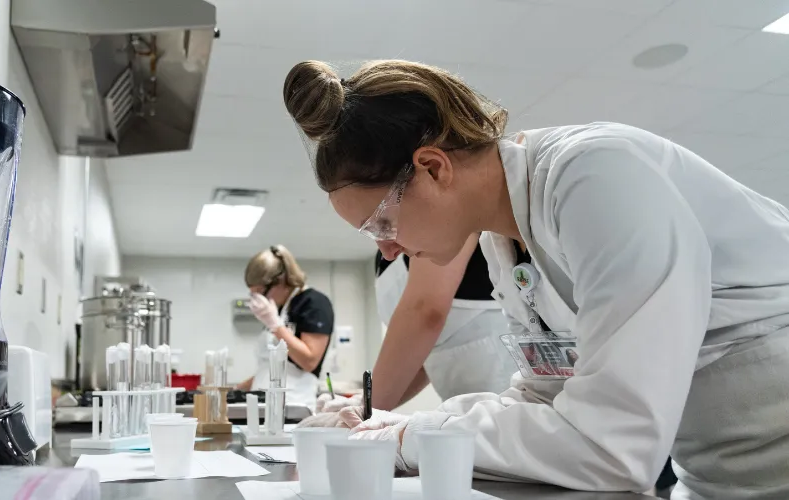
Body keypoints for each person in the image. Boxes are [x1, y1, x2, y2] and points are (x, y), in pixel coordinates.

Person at [281, 59, 789, 499]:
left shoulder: (597, 177)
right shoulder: (503, 240)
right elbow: (547, 394)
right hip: (715, 475)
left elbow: (613, 444)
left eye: (381, 224)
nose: (387, 249)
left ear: (433, 168)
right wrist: (407, 425)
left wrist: (407, 441)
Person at [303, 235, 519, 426]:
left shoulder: (441, 226)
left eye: (380, 222)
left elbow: (425, 312)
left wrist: (367, 409)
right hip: (463, 410)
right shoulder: (393, 254)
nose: (386, 248)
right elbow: (418, 357)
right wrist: (364, 401)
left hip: (501, 399)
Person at [236, 245, 335, 411]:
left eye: (261, 293)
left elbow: (309, 361)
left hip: (293, 406)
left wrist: (276, 326)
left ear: (281, 280)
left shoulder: (314, 303)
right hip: (262, 405)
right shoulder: (279, 310)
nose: (260, 300)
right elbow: (270, 369)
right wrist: (236, 390)